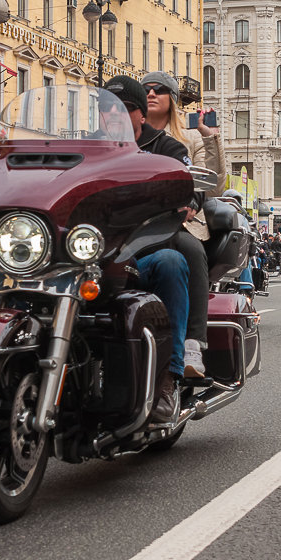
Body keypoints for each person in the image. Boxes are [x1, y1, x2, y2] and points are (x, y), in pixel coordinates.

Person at [104, 75, 198, 423]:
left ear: (141, 114)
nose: (112, 116)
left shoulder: (168, 147)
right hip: (85, 254)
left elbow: (188, 182)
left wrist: (186, 197)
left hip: (139, 251)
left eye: (124, 108)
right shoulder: (82, 147)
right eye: (105, 109)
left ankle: (167, 380)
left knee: (173, 261)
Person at [140, 71, 219, 376]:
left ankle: (193, 344)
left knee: (189, 248)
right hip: (134, 222)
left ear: (172, 99)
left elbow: (210, 185)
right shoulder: (127, 136)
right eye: (144, 89)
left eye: (159, 89)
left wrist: (211, 139)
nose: (151, 93)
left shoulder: (189, 139)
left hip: (179, 222)